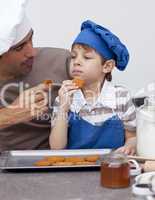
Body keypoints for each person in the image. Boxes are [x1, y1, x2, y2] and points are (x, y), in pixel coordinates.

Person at [49, 20, 136, 155]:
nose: (76, 62)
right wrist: (63, 108)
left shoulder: (121, 97)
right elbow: (56, 148)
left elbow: (132, 137)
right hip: (74, 168)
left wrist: (129, 146)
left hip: (111, 166)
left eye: (86, 57)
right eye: (73, 57)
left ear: (107, 66)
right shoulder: (64, 98)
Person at [0, 0, 70, 151]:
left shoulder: (62, 62)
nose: (32, 52)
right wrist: (7, 116)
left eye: (31, 38)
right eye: (19, 47)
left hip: (56, 167)